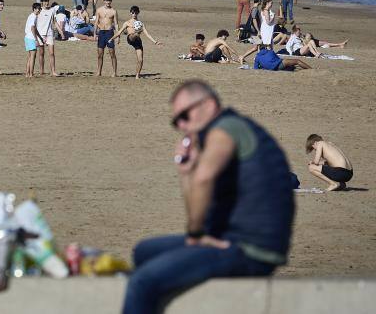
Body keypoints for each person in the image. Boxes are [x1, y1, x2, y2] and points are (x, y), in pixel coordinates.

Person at [123, 81, 295, 314]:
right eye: (176, 121)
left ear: (209, 104)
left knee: (142, 282)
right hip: (232, 240)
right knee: (143, 251)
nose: (182, 125)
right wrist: (186, 172)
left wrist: (196, 235)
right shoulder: (222, 134)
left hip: (251, 249)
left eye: (185, 115)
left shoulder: (226, 128)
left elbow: (204, 181)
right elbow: (197, 193)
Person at [110, 6, 162, 79]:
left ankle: (137, 75)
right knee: (133, 35)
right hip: (130, 38)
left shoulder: (140, 24)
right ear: (130, 12)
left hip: (137, 41)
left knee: (140, 59)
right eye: (133, 12)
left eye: (136, 13)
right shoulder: (127, 23)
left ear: (138, 13)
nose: (134, 14)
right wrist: (112, 39)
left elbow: (147, 34)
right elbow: (119, 32)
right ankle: (136, 33)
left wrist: (155, 42)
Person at [95, 0, 119, 77]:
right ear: (104, 1)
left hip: (109, 33)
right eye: (106, 0)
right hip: (101, 32)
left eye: (109, 0)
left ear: (111, 1)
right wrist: (95, 33)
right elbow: (96, 22)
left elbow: (116, 24)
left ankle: (114, 72)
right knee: (100, 54)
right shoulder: (99, 10)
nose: (108, 2)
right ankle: (99, 72)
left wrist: (118, 35)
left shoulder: (113, 11)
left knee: (112, 53)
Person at [36, 0, 58, 76]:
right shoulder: (39, 11)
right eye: (45, 1)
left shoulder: (52, 10)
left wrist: (60, 32)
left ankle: (53, 71)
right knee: (41, 53)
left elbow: (54, 22)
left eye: (47, 1)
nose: (46, 3)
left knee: (52, 53)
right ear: (42, 2)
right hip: (40, 34)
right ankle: (42, 71)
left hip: (49, 34)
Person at [24, 3, 45, 77]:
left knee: (30, 56)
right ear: (34, 9)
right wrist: (36, 40)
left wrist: (40, 37)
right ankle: (31, 74)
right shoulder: (33, 16)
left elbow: (35, 29)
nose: (39, 10)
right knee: (33, 56)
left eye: (40, 9)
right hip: (31, 38)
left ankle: (27, 73)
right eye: (38, 9)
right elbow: (32, 28)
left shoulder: (31, 16)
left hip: (27, 37)